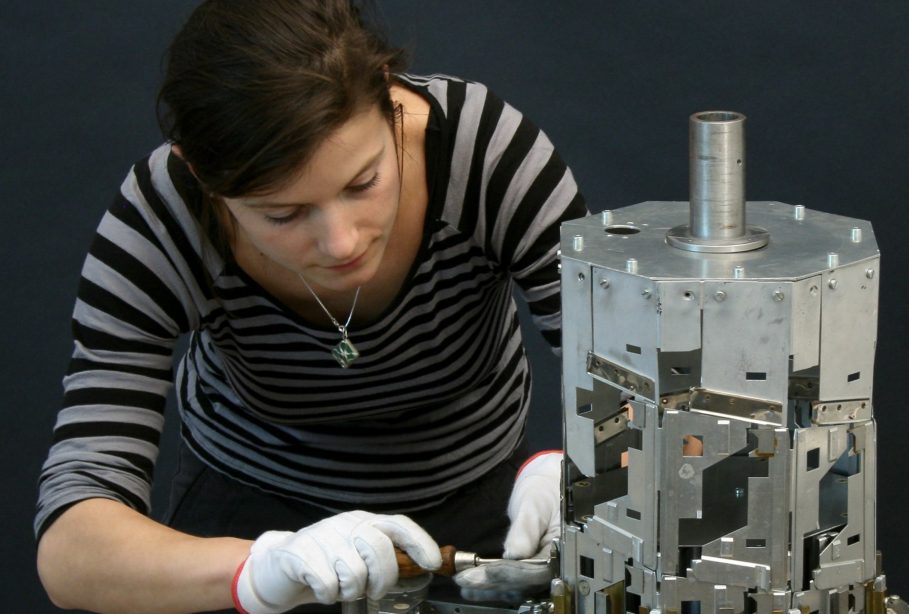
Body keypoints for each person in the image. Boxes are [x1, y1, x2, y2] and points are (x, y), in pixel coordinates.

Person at [34, 1, 586, 612]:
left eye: (364, 182)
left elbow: (649, 399)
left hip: (485, 498)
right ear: (199, 174)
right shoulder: (164, 219)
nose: (341, 242)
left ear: (388, 96)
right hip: (255, 510)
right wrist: (256, 570)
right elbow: (70, 549)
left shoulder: (484, 153)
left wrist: (582, 474)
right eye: (284, 214)